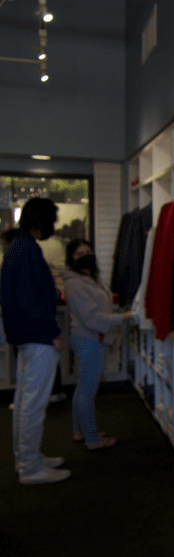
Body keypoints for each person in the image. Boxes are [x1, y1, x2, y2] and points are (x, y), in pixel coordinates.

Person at [1, 198, 70, 485]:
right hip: (37, 335)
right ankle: (30, 467)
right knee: (33, 403)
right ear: (41, 220)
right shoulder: (27, 249)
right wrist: (53, 331)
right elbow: (33, 300)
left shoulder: (17, 247)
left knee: (24, 400)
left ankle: (26, 459)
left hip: (24, 334)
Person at [62, 238, 132, 450]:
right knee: (87, 391)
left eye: (88, 251)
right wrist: (124, 317)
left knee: (82, 388)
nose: (86, 255)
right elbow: (92, 318)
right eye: (79, 253)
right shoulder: (75, 283)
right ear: (71, 259)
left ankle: (79, 430)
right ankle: (92, 439)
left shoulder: (92, 278)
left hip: (91, 338)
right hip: (89, 340)